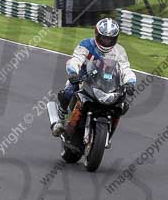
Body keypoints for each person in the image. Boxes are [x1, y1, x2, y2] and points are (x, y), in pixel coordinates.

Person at [52, 18, 136, 148]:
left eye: (110, 39)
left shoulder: (119, 51)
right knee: (69, 91)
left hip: (107, 80)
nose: (106, 41)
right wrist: (73, 73)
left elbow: (125, 68)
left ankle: (108, 133)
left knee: (123, 103)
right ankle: (61, 116)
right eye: (104, 38)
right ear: (97, 35)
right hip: (84, 75)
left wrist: (130, 82)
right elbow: (76, 60)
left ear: (115, 38)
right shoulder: (86, 44)